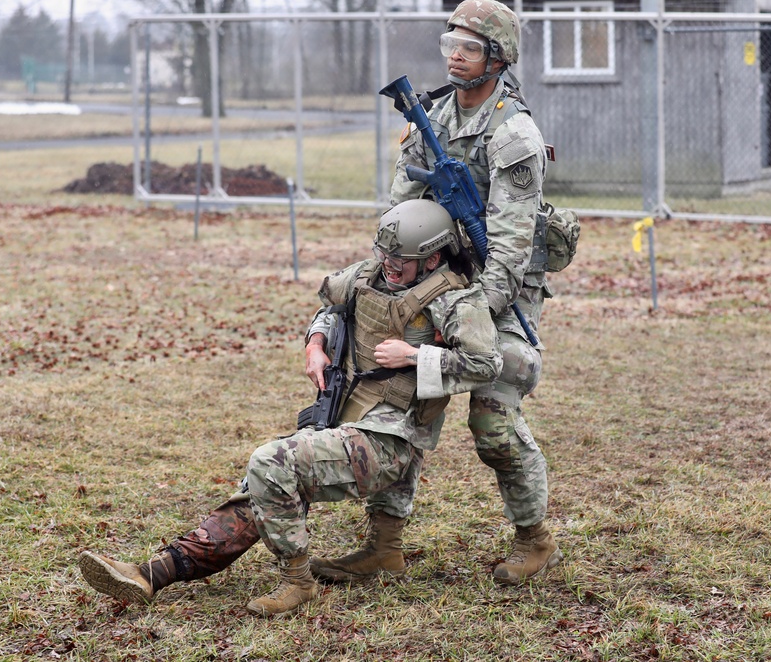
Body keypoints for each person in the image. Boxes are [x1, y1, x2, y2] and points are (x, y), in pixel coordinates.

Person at [78, 199, 502, 617]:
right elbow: (330, 306)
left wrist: (414, 356)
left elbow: (486, 363)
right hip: (347, 417)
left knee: (271, 463)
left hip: (391, 442)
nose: (388, 265)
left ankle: (299, 582)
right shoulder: (367, 275)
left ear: (432, 258)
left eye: (400, 260)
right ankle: (156, 572)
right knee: (261, 484)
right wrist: (315, 344)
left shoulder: (455, 301)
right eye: (384, 253)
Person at [313, 0, 561, 587]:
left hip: (497, 290)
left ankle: (535, 539)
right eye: (450, 44)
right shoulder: (430, 118)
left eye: (469, 48)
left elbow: (510, 249)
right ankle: (384, 546)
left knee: (494, 422)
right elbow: (400, 215)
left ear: (498, 58)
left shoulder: (514, 134)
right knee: (397, 401)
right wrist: (395, 287)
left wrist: (470, 316)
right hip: (432, 277)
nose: (455, 56)